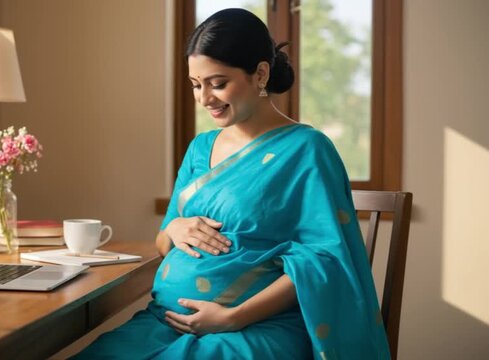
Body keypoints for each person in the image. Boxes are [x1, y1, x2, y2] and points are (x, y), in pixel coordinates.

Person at [73, 8, 389, 359]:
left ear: (260, 74)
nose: (204, 98)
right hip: (164, 321)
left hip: (255, 325)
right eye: (196, 85)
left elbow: (326, 258)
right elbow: (163, 243)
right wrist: (176, 226)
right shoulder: (199, 149)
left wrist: (232, 317)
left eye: (217, 83)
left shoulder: (307, 150)